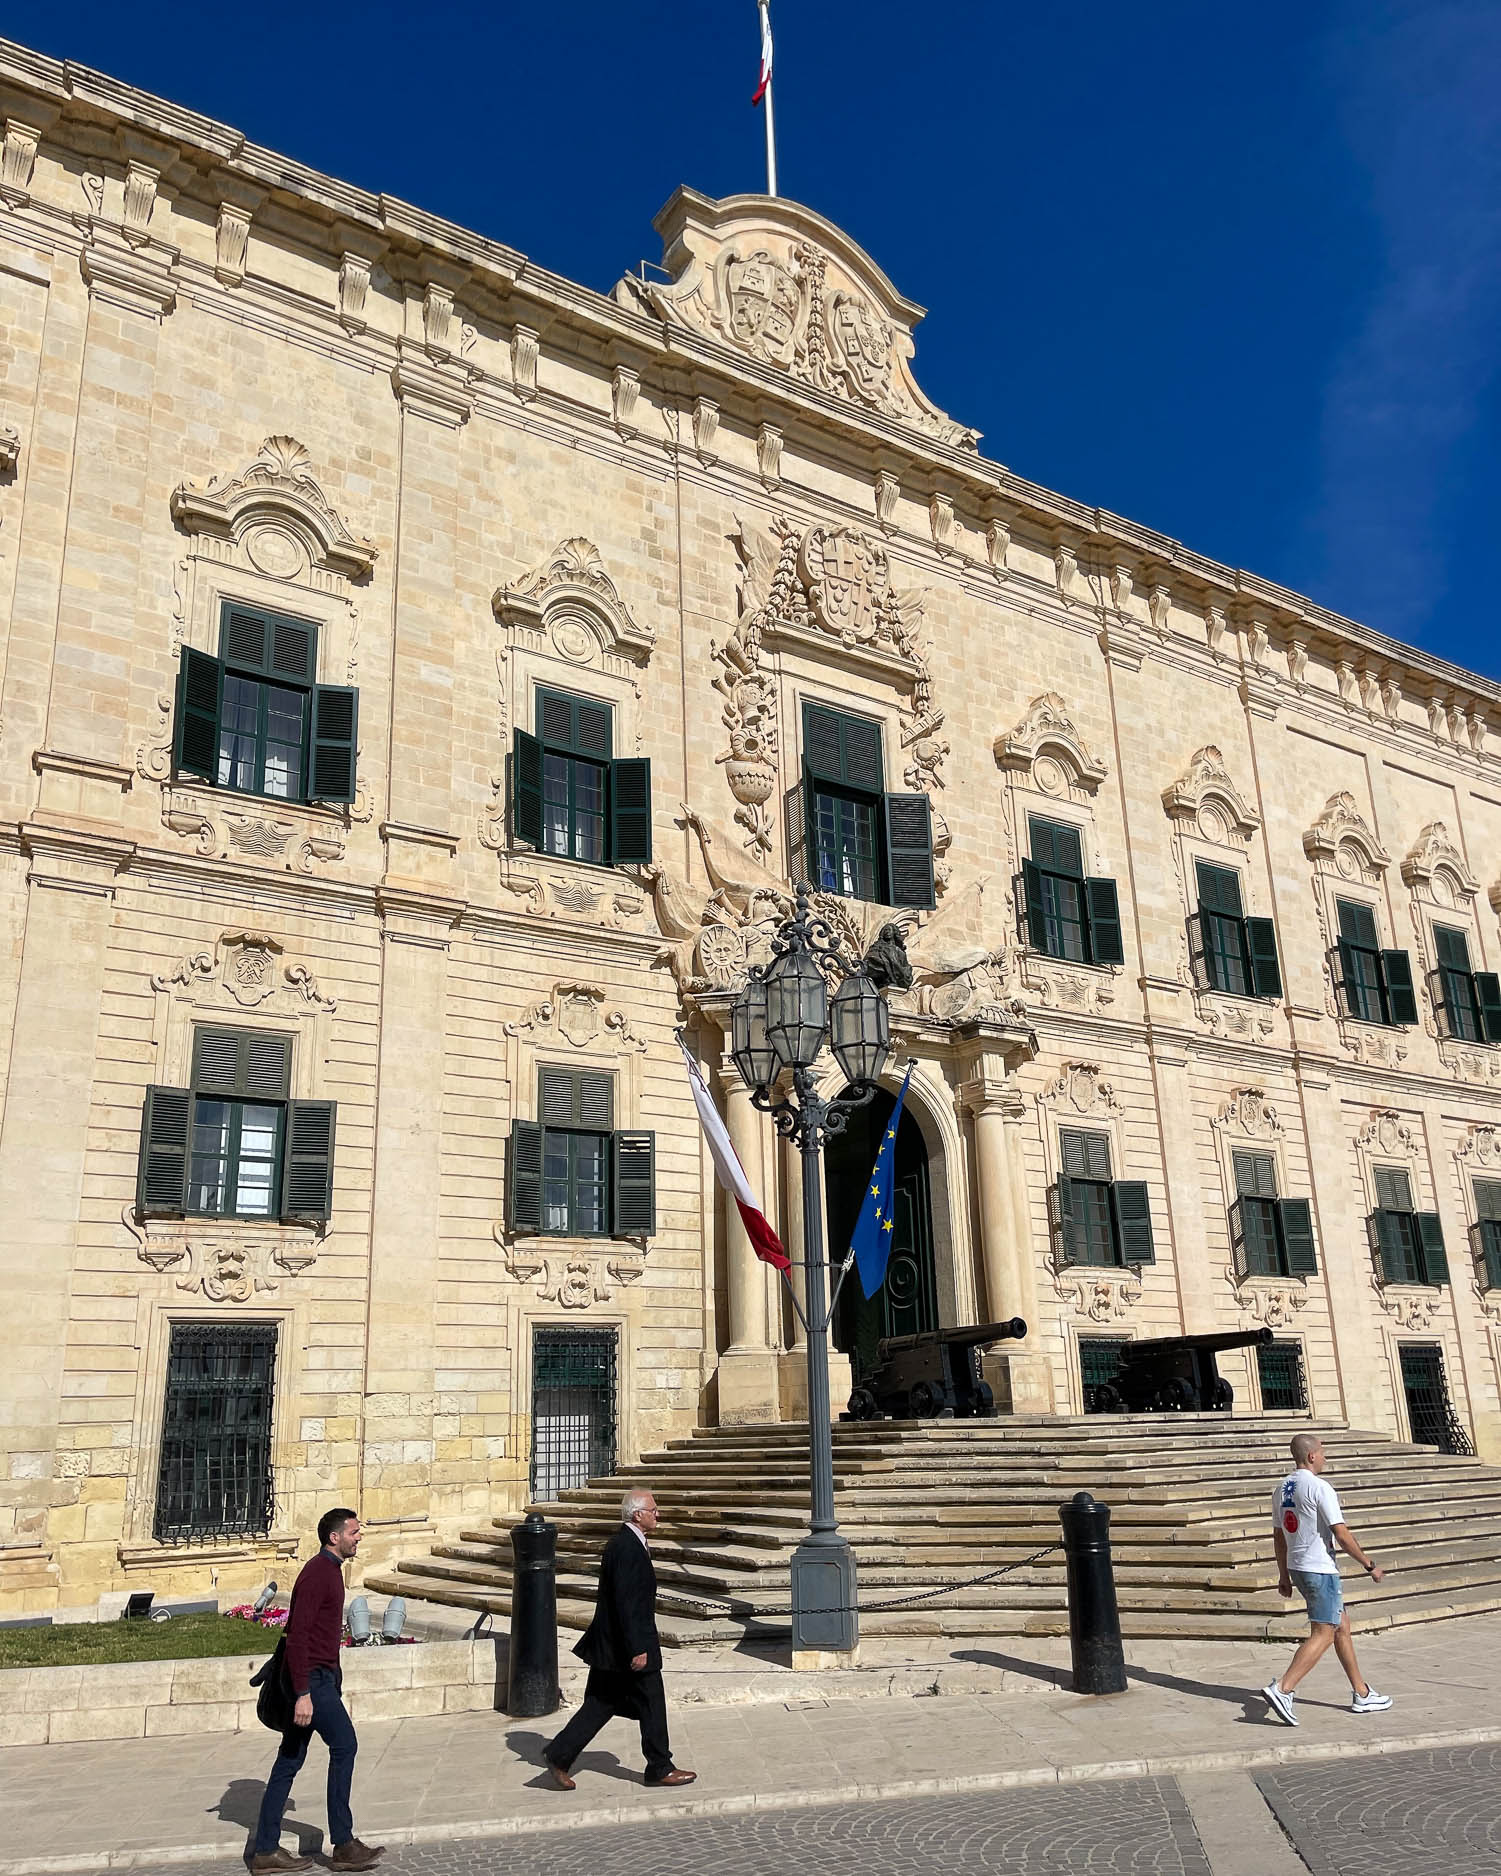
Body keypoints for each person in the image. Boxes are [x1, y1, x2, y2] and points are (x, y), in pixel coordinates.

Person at [251, 1508, 386, 1873]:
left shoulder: (331, 1572)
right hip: (311, 1682)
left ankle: (265, 1850)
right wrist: (303, 1693)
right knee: (345, 1746)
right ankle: (342, 1844)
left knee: (290, 1760)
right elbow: (297, 1638)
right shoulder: (317, 1574)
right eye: (354, 1532)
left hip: (320, 1679)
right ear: (334, 1537)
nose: (359, 1537)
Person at [543, 1488, 696, 1790]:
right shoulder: (627, 1547)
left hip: (613, 1645)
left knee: (601, 1703)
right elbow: (626, 1602)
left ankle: (559, 1754)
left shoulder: (626, 1542)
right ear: (638, 1514)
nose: (658, 1514)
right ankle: (659, 1767)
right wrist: (637, 1647)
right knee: (651, 1701)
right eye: (654, 1510)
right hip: (627, 1645)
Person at [1262, 1432, 1393, 1727]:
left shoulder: (1281, 1489)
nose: (1325, 1457)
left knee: (1340, 1626)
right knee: (1324, 1631)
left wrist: (1284, 1574)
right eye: (1322, 1452)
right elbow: (1341, 1534)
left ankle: (1362, 1693)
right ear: (1311, 1456)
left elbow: (1278, 1536)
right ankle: (1283, 1689)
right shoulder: (1320, 1487)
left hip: (1298, 1566)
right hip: (1319, 1568)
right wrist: (1369, 1565)